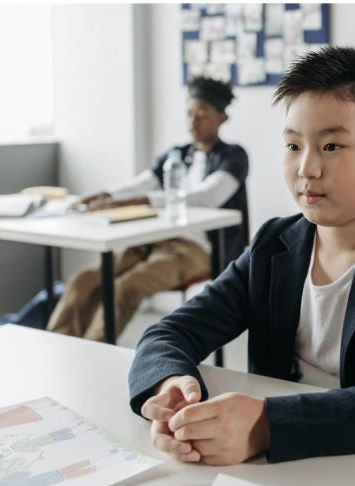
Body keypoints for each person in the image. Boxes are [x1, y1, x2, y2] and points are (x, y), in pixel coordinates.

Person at [128, 46, 355, 466]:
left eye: (331, 146)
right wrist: (170, 385)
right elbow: (168, 334)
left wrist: (269, 425)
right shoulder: (274, 244)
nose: (307, 169)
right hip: (275, 475)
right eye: (293, 146)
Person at [47, 76, 250, 342]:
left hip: (196, 249)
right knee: (84, 281)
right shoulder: (176, 154)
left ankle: (93, 350)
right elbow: (142, 183)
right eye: (189, 113)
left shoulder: (233, 156)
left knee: (124, 288)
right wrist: (105, 195)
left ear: (222, 118)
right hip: (152, 239)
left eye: (202, 114)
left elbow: (208, 197)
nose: (193, 122)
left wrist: (141, 201)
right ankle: (58, 346)